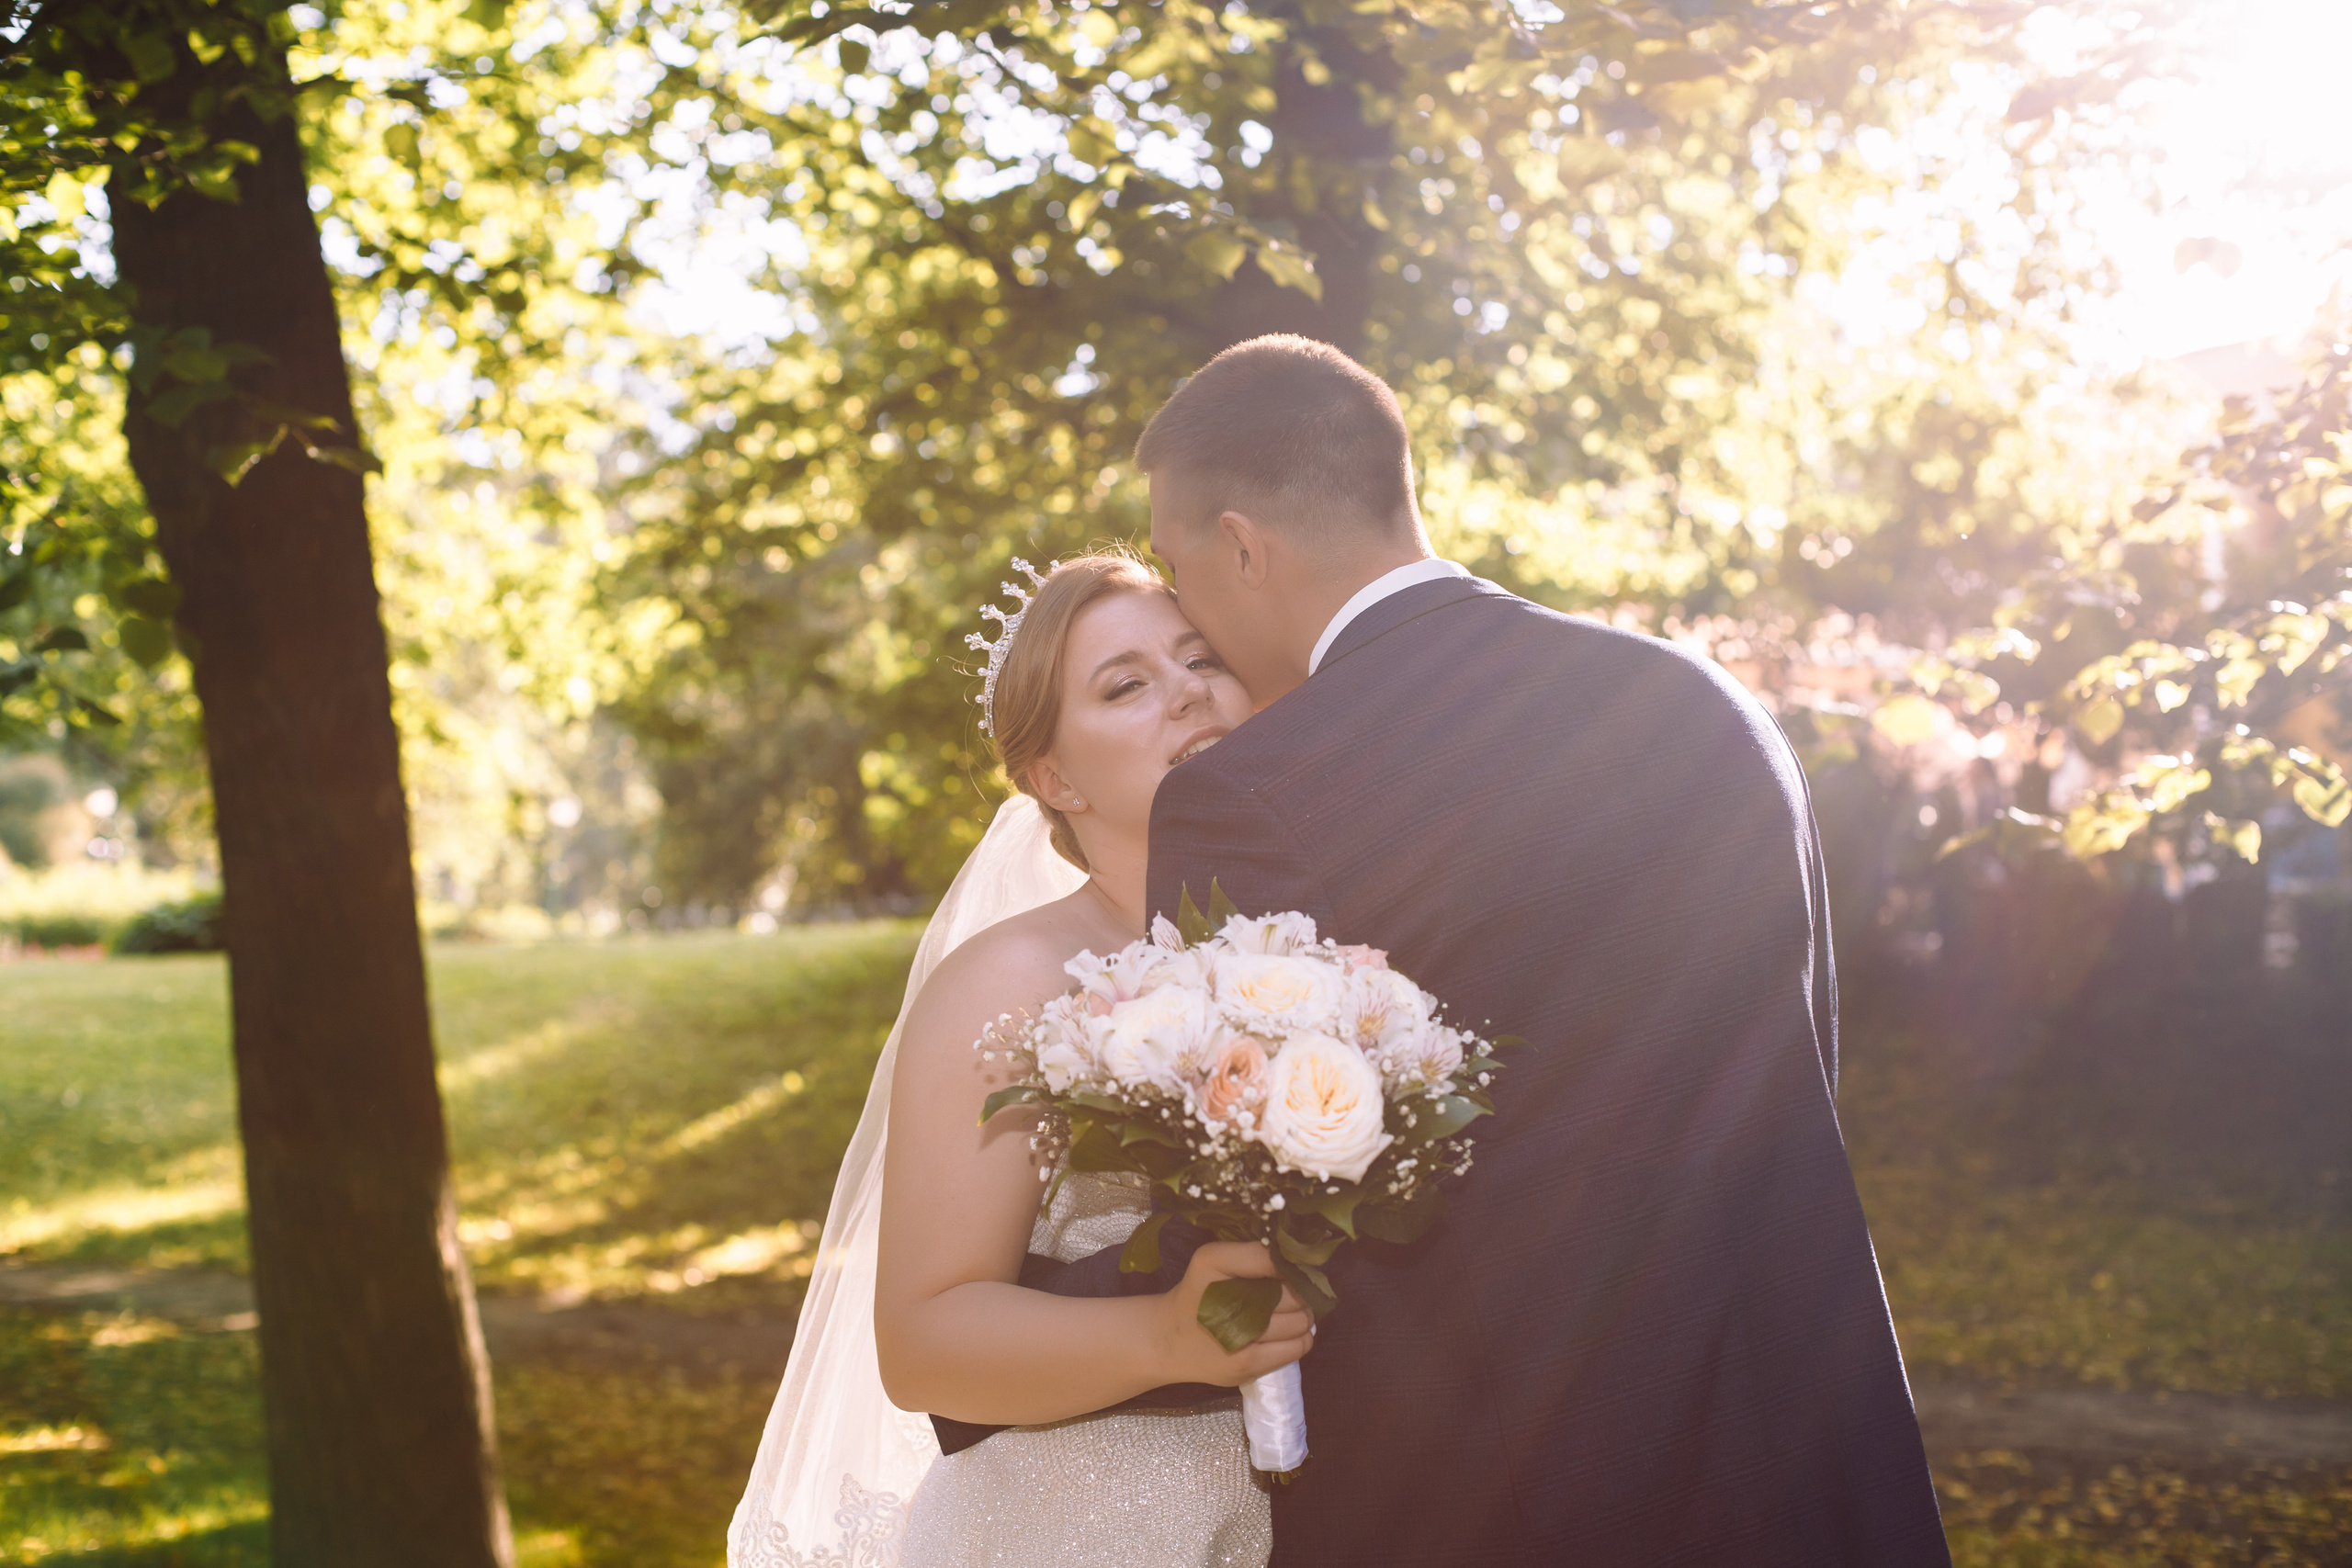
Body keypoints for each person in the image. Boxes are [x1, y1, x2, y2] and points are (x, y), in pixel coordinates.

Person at [1114, 333, 1951, 1564]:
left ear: (1241, 543)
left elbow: (1240, 1208)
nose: (1190, 606)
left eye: (1180, 569)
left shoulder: (1252, 791)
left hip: (1484, 1490)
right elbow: (1798, 1064)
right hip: (1797, 1449)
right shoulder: (1706, 705)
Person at [729, 550, 1304, 1568]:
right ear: (1053, 778)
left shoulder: (1328, 957)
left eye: (1202, 658)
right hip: (1082, 1532)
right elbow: (923, 1344)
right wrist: (1167, 1336)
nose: (1184, 692)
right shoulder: (1011, 984)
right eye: (1125, 685)